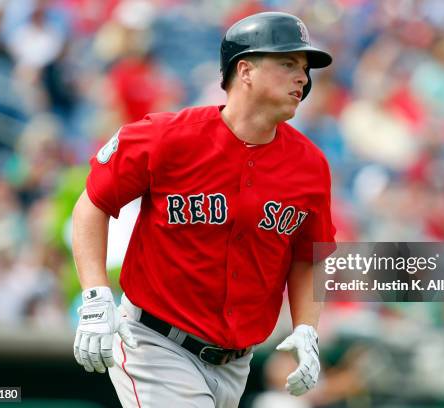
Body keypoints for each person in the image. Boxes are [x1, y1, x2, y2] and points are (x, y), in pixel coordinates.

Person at [72, 11, 336, 407]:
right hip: (156, 344)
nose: (303, 77)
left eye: (303, 68)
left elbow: (307, 255)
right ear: (244, 70)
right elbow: (93, 204)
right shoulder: (166, 137)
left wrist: (307, 328)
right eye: (287, 64)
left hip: (235, 365)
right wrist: (95, 294)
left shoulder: (310, 166)